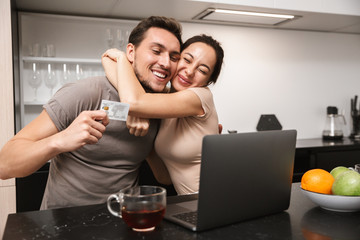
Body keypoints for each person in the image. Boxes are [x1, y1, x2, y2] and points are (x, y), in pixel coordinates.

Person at [0, 16, 182, 209]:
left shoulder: (161, 107)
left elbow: (164, 176)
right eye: (156, 51)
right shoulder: (86, 93)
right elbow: (4, 165)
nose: (166, 63)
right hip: (64, 224)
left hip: (122, 221)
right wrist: (60, 140)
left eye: (174, 57)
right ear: (130, 52)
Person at [102, 34, 224, 194]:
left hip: (216, 199)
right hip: (191, 205)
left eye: (202, 70)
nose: (189, 71)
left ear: (208, 81)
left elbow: (134, 101)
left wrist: (121, 57)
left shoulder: (199, 97)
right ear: (176, 59)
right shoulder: (167, 99)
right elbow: (164, 177)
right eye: (186, 60)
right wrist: (136, 115)